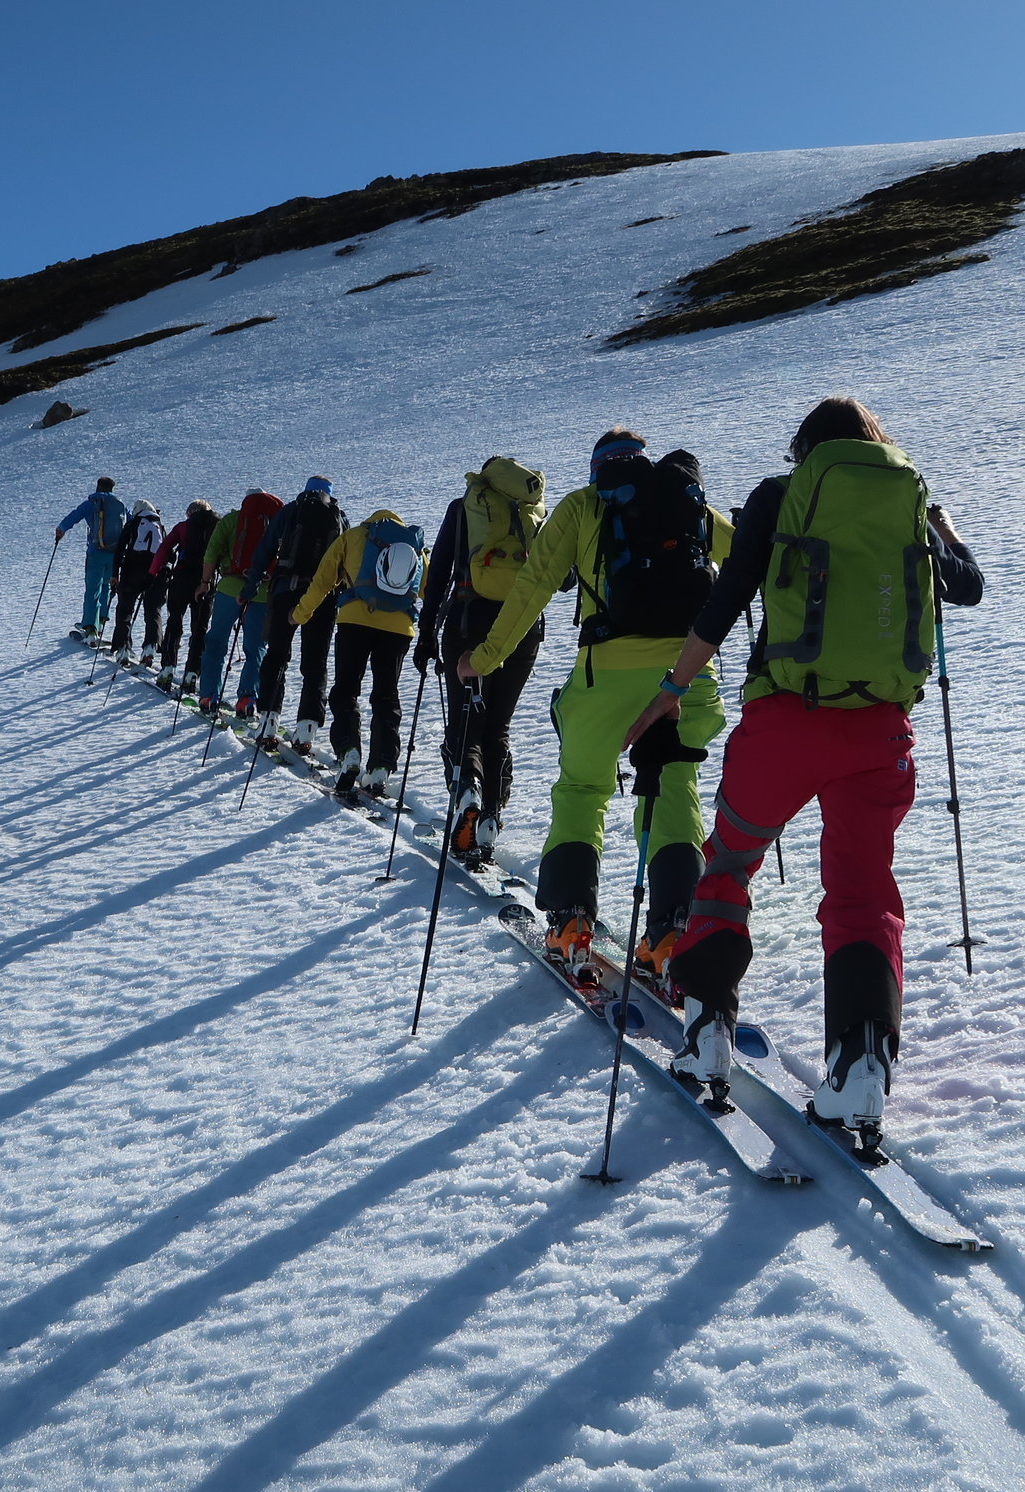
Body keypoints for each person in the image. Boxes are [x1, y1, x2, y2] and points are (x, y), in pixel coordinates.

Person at [621, 397, 986, 1144]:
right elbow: (968, 584)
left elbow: (725, 600)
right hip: (880, 734)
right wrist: (944, 526)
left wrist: (670, 691)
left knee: (727, 867)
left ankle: (708, 1033)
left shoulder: (780, 496)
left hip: (784, 725)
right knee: (861, 890)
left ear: (806, 451)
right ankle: (859, 1072)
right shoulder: (906, 500)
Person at [456, 429, 736, 977]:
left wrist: (483, 659)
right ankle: (672, 931)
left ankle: (570, 923)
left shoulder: (584, 506)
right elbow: (754, 560)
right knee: (675, 787)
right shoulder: (687, 502)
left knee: (584, 788)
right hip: (687, 675)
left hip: (604, 673)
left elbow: (533, 586)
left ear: (596, 469)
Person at [416, 456, 548, 866]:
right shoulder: (533, 514)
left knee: (466, 720)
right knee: (498, 725)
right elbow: (563, 578)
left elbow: (436, 575)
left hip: (468, 620)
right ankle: (490, 814)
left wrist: (425, 635)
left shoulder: (463, 508)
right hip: (524, 625)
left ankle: (467, 794)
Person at [288, 508, 425, 799]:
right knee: (386, 696)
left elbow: (323, 580)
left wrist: (301, 614)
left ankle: (349, 752)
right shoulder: (414, 544)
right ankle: (381, 767)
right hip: (399, 629)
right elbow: (428, 588)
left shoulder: (353, 536)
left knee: (346, 690)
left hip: (354, 621)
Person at [244, 477, 350, 750]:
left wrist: (250, 586)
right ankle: (307, 729)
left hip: (285, 590)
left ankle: (268, 721)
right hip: (324, 598)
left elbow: (265, 548)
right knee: (315, 663)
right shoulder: (340, 517)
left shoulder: (290, 510)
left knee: (277, 654)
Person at [194, 488, 284, 717]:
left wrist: (205, 582)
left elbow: (212, 552)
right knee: (255, 648)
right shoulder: (276, 522)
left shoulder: (231, 520)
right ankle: (246, 698)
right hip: (263, 591)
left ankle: (208, 696)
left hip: (230, 588)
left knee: (216, 641)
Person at [154, 499, 219, 691]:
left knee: (174, 622)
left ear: (190, 514)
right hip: (205, 582)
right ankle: (192, 673)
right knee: (199, 628)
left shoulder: (183, 527)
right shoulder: (216, 527)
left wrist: (154, 571)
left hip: (181, 578)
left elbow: (165, 548)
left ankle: (167, 668)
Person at [54, 477, 130, 639]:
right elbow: (132, 522)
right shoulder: (121, 505)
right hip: (115, 554)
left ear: (98, 487)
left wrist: (61, 529)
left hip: (96, 552)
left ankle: (90, 627)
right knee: (106, 586)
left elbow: (74, 515)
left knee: (93, 589)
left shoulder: (92, 503)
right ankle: (101, 622)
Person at [107, 500, 166, 658]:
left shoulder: (132, 524)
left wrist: (115, 574)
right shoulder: (160, 526)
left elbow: (119, 550)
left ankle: (123, 648)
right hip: (156, 573)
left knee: (125, 610)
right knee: (153, 611)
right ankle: (151, 647)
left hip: (132, 571)